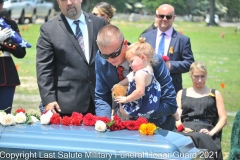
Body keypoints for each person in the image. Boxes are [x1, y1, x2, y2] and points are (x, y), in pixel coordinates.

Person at [95, 24, 178, 131]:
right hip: (121, 129)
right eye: (105, 56)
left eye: (114, 54)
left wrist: (134, 114)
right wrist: (104, 124)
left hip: (156, 129)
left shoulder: (152, 61)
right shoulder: (100, 59)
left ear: (125, 43)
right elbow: (102, 97)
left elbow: (170, 104)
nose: (110, 60)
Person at [36, 0, 107, 116]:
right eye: (63, 0)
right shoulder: (49, 29)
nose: (69, 3)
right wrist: (48, 99)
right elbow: (44, 69)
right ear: (58, 2)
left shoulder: (99, 24)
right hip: (67, 104)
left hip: (100, 102)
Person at [175, 61, 227, 160]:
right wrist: (181, 127)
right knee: (180, 142)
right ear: (190, 75)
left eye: (202, 76)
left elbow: (223, 118)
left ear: (206, 75)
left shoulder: (215, 93)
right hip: (186, 129)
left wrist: (212, 132)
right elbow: (177, 117)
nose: (199, 80)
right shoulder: (181, 93)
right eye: (196, 76)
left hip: (206, 130)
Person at [141, 4, 194, 93]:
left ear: (174, 18)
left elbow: (189, 63)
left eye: (168, 17)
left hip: (171, 88)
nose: (165, 19)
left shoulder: (183, 40)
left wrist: (170, 65)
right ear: (157, 16)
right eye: (161, 16)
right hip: (148, 86)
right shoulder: (146, 37)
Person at [114, 37, 162, 120]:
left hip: (142, 105)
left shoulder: (140, 74)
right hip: (151, 102)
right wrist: (119, 84)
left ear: (143, 58)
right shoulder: (147, 68)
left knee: (122, 113)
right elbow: (130, 77)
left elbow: (139, 92)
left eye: (131, 61)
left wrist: (126, 99)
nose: (130, 65)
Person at [0, 0, 26, 114]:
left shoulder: (10, 24)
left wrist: (4, 44)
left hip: (6, 74)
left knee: (5, 116)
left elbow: (21, 52)